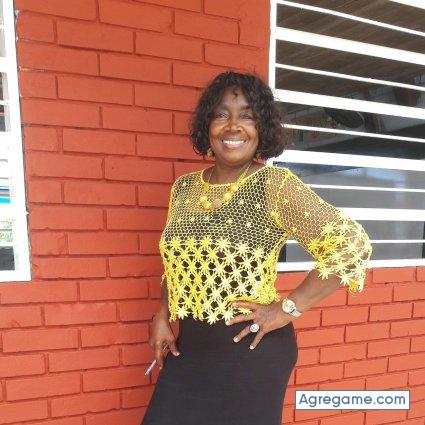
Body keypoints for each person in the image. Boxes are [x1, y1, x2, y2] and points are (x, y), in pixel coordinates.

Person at [140, 71, 373, 425]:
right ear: (208, 126)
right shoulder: (183, 189)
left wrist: (287, 309)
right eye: (222, 114)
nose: (233, 125)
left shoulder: (273, 185)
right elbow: (176, 264)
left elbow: (351, 246)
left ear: (262, 127)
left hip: (250, 351)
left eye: (247, 116)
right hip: (191, 349)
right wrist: (162, 313)